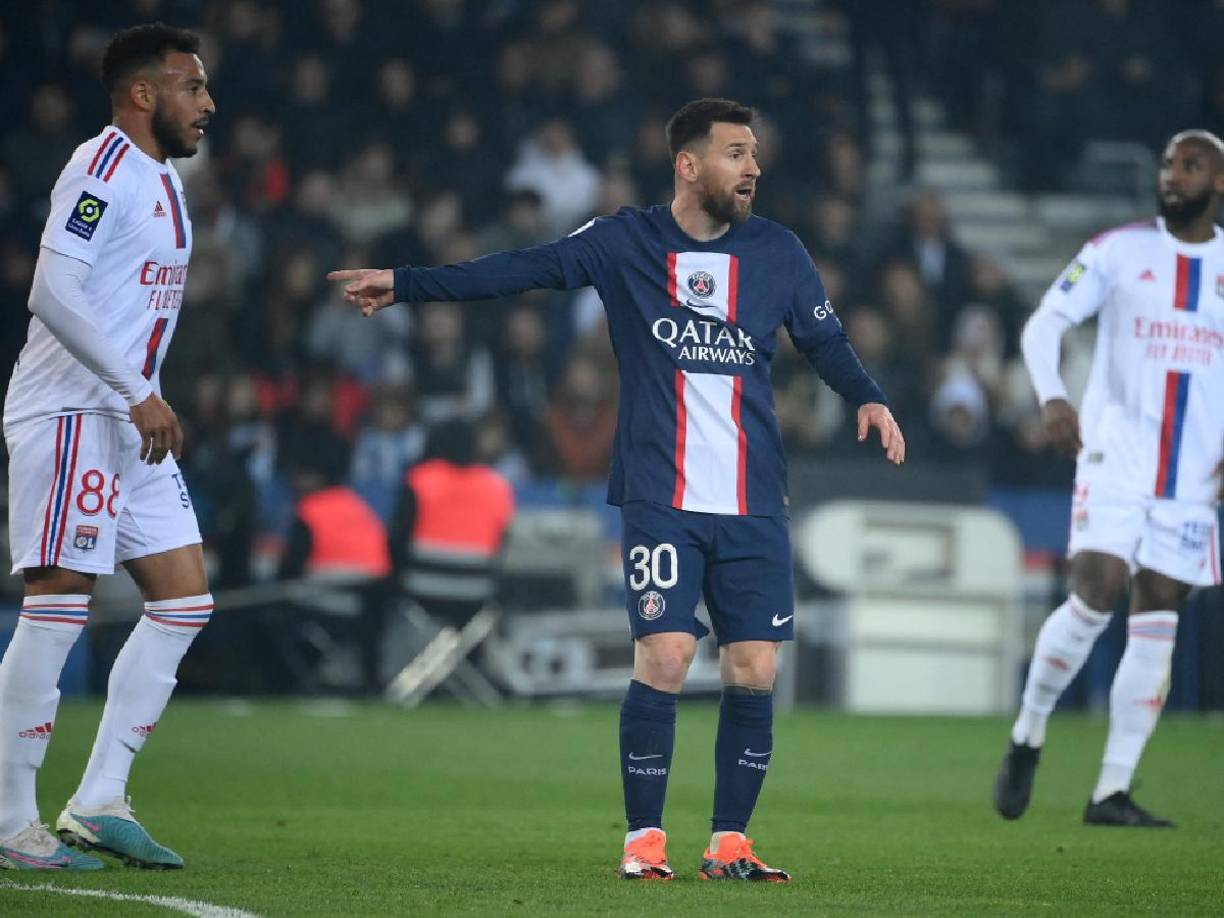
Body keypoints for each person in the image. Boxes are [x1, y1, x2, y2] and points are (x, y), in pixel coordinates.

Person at [330, 97, 905, 883]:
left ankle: (730, 843)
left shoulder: (778, 252)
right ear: (688, 164)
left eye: (755, 154)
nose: (754, 168)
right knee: (666, 654)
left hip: (754, 498)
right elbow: (520, 269)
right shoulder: (624, 242)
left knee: (754, 670)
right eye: (736, 153)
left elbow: (825, 340)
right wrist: (406, 284)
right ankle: (644, 841)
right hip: (660, 492)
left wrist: (868, 396)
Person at [0, 23, 216, 870]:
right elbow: (52, 290)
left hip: (127, 423)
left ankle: (96, 800)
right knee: (56, 607)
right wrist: (137, 390)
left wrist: (137, 398)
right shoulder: (100, 169)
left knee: (185, 600)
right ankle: (13, 820)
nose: (207, 103)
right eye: (191, 87)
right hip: (73, 414)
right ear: (142, 94)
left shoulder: (163, 178)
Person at [994, 129, 1224, 828]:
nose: (1172, 175)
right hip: (1116, 457)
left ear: (1219, 181)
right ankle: (1029, 733)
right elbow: (1045, 324)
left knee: (1158, 620)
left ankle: (1110, 791)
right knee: (1093, 596)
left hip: (1193, 478)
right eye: (1167, 163)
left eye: (1190, 165)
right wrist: (1053, 397)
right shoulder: (1118, 251)